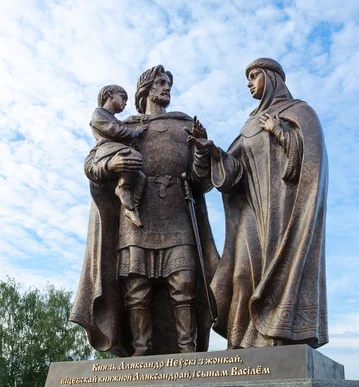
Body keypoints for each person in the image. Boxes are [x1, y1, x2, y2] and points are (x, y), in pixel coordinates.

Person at [70, 66, 219, 356]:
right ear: (146, 89)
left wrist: (201, 151)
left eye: (168, 84)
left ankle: (187, 350)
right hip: (136, 217)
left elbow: (202, 180)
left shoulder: (184, 126)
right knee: (137, 289)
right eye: (161, 83)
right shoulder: (123, 127)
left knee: (185, 285)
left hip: (177, 214)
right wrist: (111, 166)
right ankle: (140, 350)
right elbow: (92, 164)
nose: (167, 89)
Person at [190, 57, 328, 349]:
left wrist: (279, 131)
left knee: (279, 274)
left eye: (254, 76)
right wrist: (213, 150)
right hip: (253, 210)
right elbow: (235, 173)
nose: (249, 83)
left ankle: (276, 338)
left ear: (272, 76)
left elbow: (309, 164)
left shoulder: (300, 113)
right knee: (241, 274)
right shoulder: (250, 123)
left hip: (285, 215)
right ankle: (240, 345)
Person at [90, 84, 147, 228]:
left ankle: (132, 209)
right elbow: (115, 131)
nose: (125, 103)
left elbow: (121, 125)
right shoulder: (99, 114)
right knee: (134, 156)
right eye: (122, 97)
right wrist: (136, 132)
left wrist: (136, 121)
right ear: (109, 94)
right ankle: (122, 188)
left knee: (141, 177)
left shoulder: (112, 118)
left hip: (115, 149)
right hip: (107, 150)